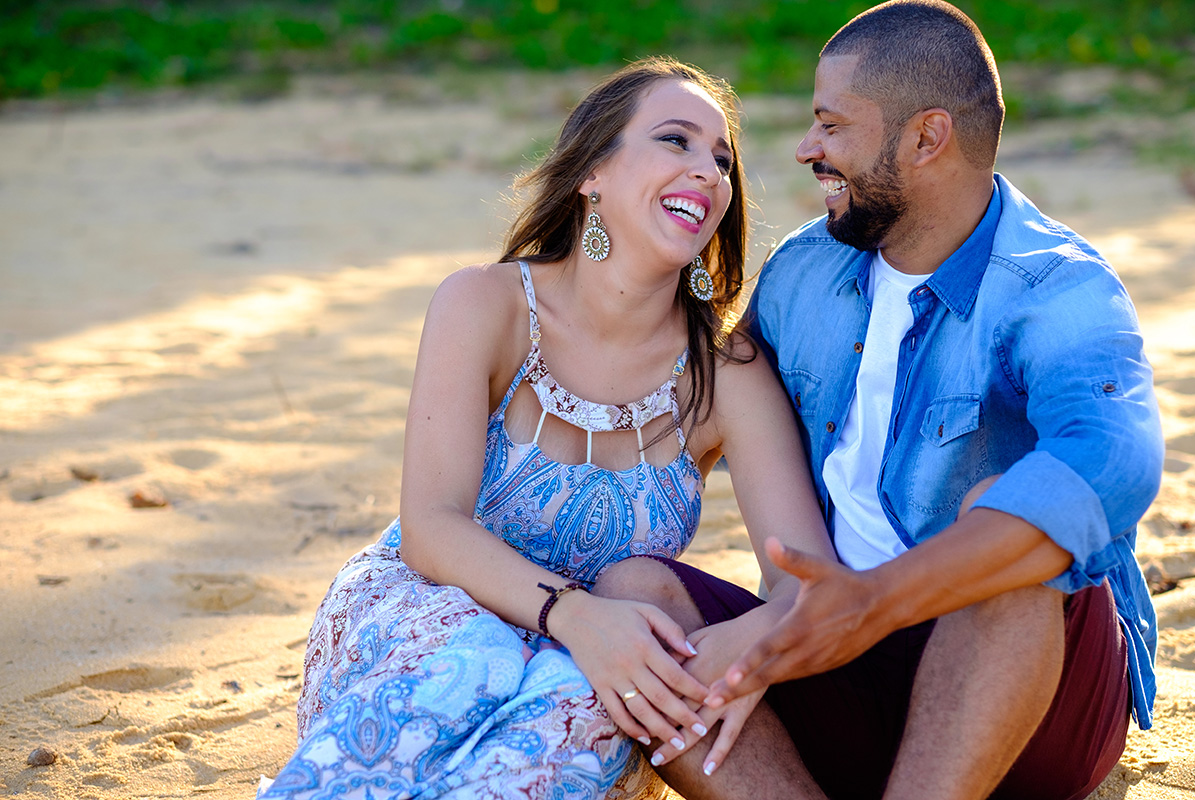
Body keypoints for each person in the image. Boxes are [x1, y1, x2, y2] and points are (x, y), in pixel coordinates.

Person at [595, 3, 1164, 799]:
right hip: (840, 672)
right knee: (634, 592)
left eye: (831, 126)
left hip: (1026, 705)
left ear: (927, 138)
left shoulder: (1054, 288)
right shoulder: (806, 271)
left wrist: (869, 605)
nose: (805, 150)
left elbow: (1112, 462)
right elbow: (676, 423)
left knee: (1002, 518)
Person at [257, 56, 836, 800]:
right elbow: (431, 527)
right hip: (433, 611)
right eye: (676, 141)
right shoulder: (485, 306)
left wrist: (740, 651)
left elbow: (807, 584)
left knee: (576, 708)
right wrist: (575, 614)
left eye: (722, 159)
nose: (709, 172)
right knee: (473, 662)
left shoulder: (728, 372)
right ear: (592, 173)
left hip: (597, 663)